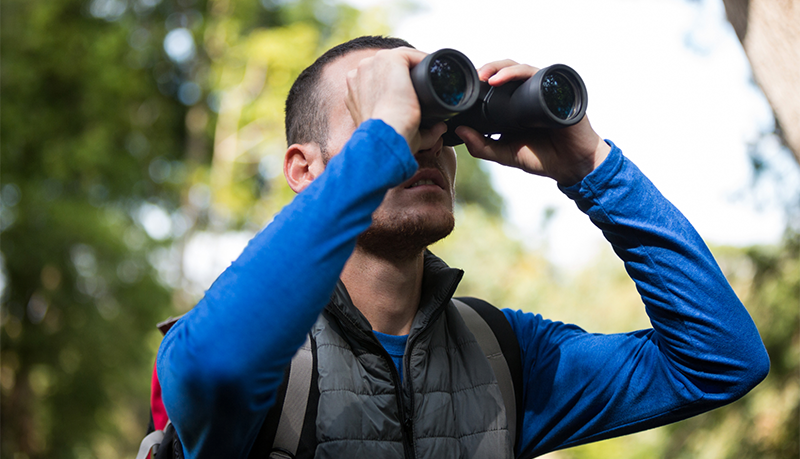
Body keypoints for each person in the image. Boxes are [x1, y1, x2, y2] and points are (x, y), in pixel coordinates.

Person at [156, 35, 770, 459]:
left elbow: (720, 361)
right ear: (304, 169)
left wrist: (590, 167)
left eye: (430, 121)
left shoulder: (504, 355)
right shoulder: (250, 355)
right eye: (387, 118)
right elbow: (212, 364)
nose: (420, 143)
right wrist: (380, 146)